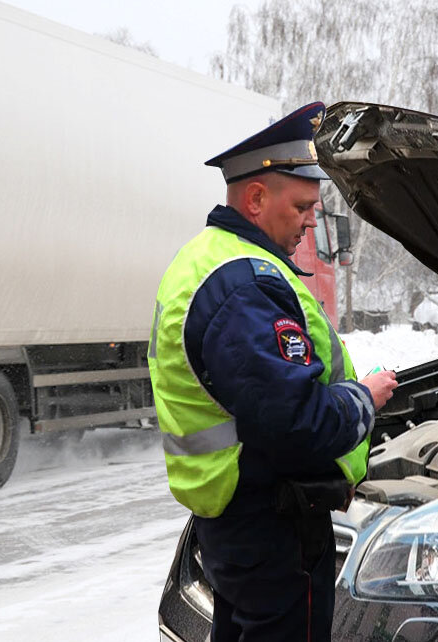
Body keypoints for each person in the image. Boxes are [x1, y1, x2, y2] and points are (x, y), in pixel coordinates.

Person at [147, 101, 398, 642]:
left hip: (238, 521)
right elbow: (296, 422)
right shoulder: (243, 285)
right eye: (303, 205)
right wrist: (364, 399)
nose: (311, 220)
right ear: (257, 199)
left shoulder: (208, 258)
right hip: (269, 523)